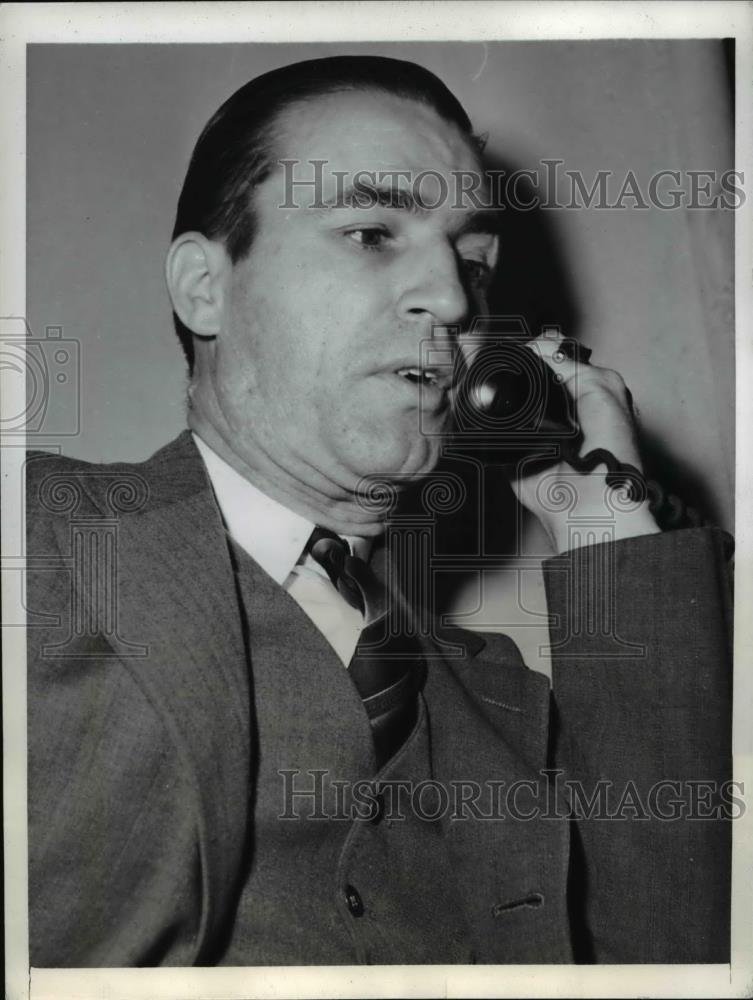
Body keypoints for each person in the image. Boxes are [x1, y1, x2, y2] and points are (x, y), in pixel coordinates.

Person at [26, 55, 732, 967]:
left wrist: (600, 517)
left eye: (471, 264)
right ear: (206, 287)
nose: (448, 297)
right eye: (370, 232)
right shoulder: (39, 535)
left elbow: (672, 959)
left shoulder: (499, 701)